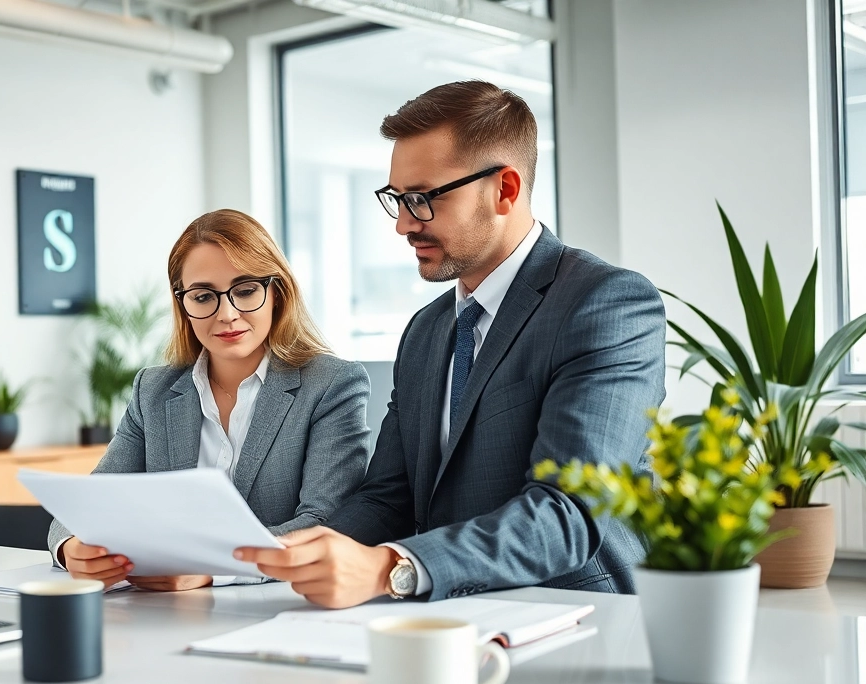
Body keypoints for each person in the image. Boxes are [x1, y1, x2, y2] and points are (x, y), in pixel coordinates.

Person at [235, 80, 665, 608]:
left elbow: (569, 513)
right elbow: (388, 497)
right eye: (396, 198)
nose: (402, 224)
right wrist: (256, 562)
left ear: (505, 189)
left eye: (422, 199)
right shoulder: (426, 330)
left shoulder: (605, 303)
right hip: (449, 621)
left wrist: (391, 567)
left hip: (579, 622)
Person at [46, 209, 371, 591]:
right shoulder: (153, 391)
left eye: (246, 290)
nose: (227, 314)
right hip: (157, 613)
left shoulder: (331, 384)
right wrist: (72, 548)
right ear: (184, 304)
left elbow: (324, 521)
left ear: (276, 293)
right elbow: (87, 504)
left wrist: (210, 568)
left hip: (280, 606)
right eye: (203, 297)